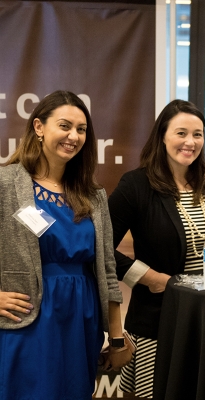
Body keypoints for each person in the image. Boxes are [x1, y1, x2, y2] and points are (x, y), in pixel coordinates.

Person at [0, 90, 131, 399]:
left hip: (80, 318)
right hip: (27, 317)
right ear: (38, 128)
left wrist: (116, 338)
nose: (74, 135)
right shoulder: (6, 183)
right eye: (65, 126)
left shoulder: (93, 194)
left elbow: (107, 270)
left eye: (81, 129)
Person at [108, 99, 205, 398]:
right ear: (162, 135)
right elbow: (98, 246)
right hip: (158, 319)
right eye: (181, 133)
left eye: (198, 134)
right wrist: (152, 279)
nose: (190, 142)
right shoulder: (136, 184)